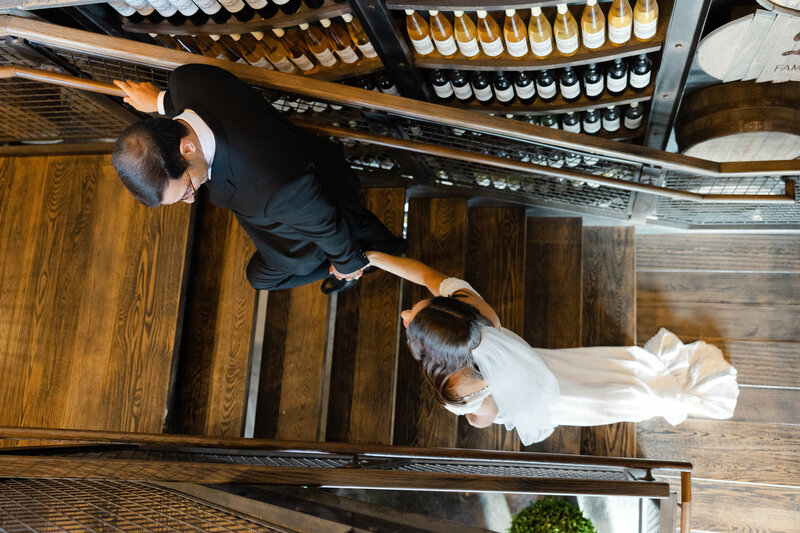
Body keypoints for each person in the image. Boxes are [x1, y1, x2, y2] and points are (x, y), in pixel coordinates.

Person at [363, 251, 740, 445]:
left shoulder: (456, 386)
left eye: (411, 315)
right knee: (599, 372)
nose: (405, 312)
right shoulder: (473, 307)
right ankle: (650, 379)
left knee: (598, 400)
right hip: (542, 365)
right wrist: (373, 258)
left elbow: (486, 418)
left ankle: (656, 394)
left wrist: (466, 412)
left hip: (545, 398)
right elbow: (424, 273)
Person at [112, 63, 406, 293]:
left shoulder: (270, 183)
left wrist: (346, 263)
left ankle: (376, 257)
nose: (191, 200)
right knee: (259, 278)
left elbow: (324, 223)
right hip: (288, 180)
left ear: (187, 148)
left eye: (187, 188)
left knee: (351, 227)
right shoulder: (187, 80)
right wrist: (162, 101)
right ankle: (366, 257)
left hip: (316, 199)